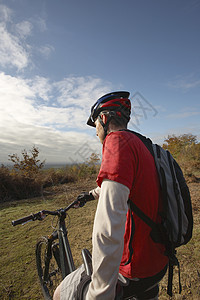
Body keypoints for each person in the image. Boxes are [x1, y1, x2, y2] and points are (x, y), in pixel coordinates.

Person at [54, 91, 169, 300]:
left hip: (133, 269)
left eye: (96, 125)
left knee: (59, 293)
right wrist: (92, 193)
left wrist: (100, 293)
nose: (96, 132)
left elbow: (107, 229)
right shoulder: (142, 145)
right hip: (158, 261)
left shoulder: (116, 142)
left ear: (104, 119)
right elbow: (129, 187)